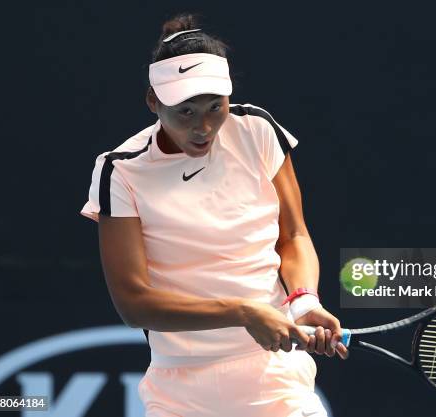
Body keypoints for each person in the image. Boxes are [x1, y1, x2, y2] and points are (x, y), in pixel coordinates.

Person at [80, 13, 347, 417]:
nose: (203, 127)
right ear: (153, 102)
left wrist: (303, 300)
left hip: (276, 376)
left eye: (214, 107)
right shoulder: (120, 170)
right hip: (182, 390)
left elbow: (293, 236)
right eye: (185, 112)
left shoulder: (256, 129)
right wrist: (241, 312)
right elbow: (134, 304)